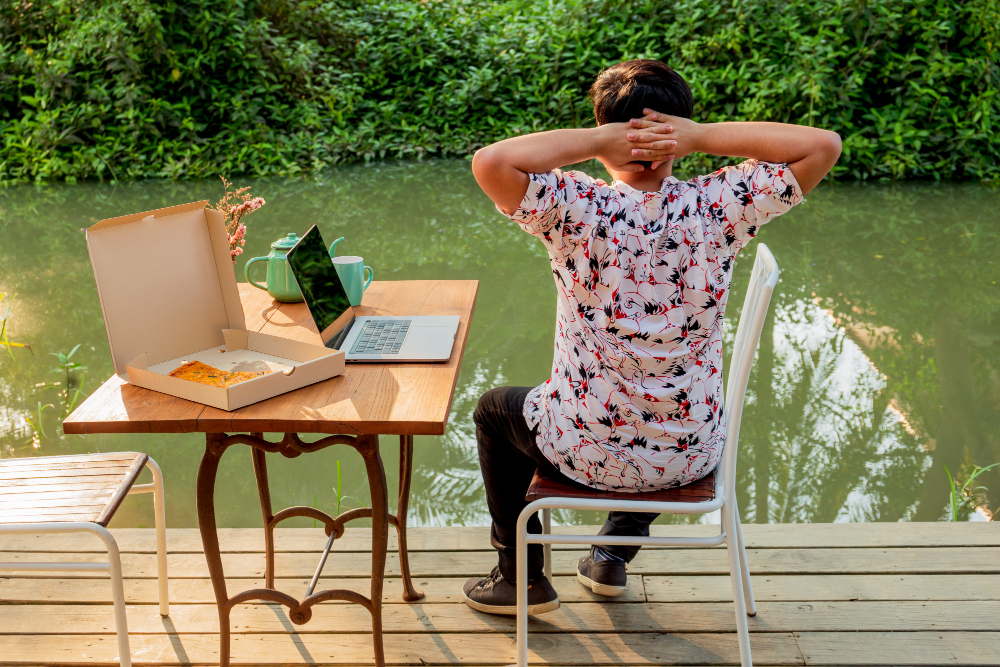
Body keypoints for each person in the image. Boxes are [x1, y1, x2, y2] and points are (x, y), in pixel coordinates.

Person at [463, 59, 841, 616]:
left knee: (495, 409)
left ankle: (519, 579)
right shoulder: (720, 206)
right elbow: (823, 145)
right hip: (691, 450)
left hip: (584, 451)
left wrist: (597, 142)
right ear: (678, 134)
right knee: (658, 412)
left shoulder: (574, 206)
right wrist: (703, 139)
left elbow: (491, 161)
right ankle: (610, 556)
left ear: (605, 130)